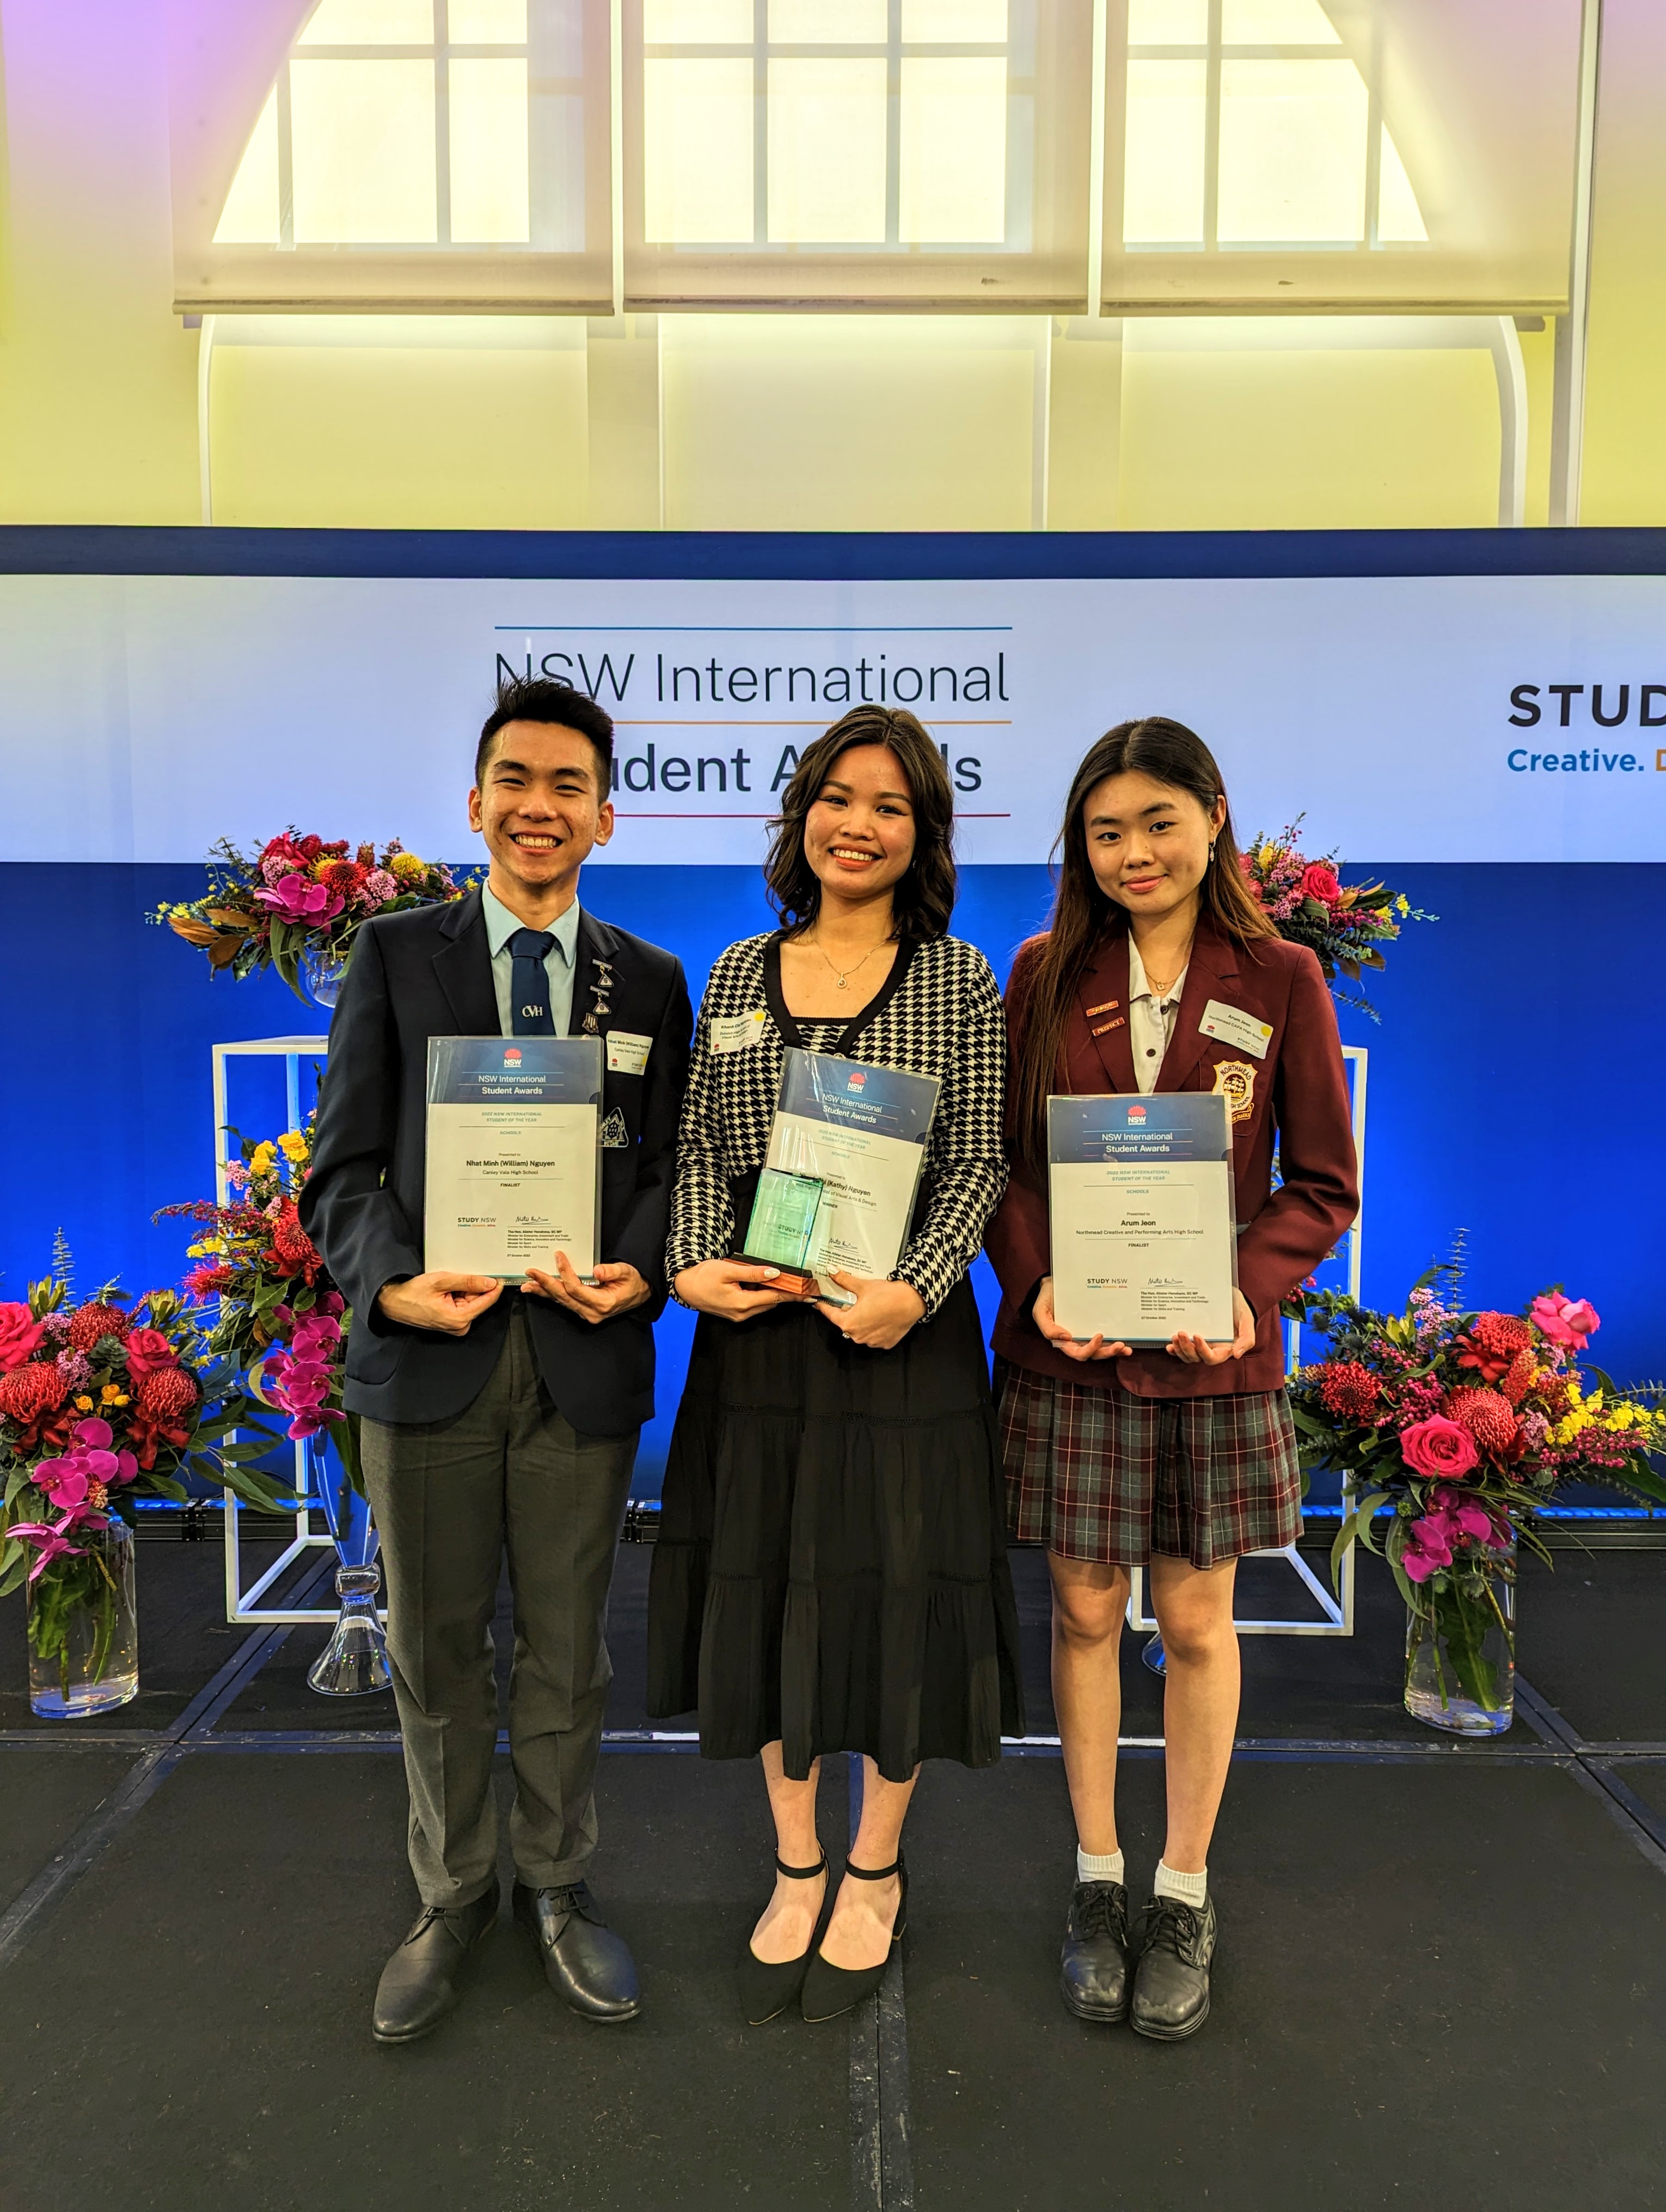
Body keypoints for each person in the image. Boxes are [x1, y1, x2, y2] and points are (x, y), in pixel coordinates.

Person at [301, 675, 692, 2045]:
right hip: (430, 1362)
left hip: (581, 1365)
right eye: (516, 782)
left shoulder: (647, 980)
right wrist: (391, 1279)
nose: (541, 807)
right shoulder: (395, 955)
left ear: (604, 815)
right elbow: (341, 1168)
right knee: (432, 1648)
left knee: (570, 1655)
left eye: (569, 786)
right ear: (477, 803)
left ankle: (559, 1884)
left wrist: (640, 1264)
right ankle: (451, 1893)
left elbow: (665, 1174)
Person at [646, 704, 1024, 2027]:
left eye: (889, 806)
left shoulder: (959, 977)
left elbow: (980, 1156)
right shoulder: (741, 970)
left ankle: (876, 1865)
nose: (856, 825)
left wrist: (915, 1291)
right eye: (836, 796)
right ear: (800, 812)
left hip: (900, 1350)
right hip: (757, 1345)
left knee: (897, 1589)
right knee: (763, 1585)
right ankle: (796, 1856)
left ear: (923, 833)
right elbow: (696, 1148)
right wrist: (692, 1261)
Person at [985, 716, 1357, 2041]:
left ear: (1212, 817)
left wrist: (1240, 1290)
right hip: (1072, 1356)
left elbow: (1321, 1183)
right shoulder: (1040, 970)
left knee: (1198, 1626)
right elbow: (1006, 1168)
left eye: (1157, 822)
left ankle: (1184, 1889)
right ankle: (1097, 1881)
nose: (1134, 852)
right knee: (1085, 1616)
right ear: (1080, 846)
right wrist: (1037, 1284)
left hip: (1214, 1362)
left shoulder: (1282, 973)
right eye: (1106, 830)